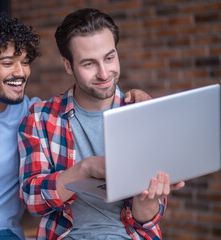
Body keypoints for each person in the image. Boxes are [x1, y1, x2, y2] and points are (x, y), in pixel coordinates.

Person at [0, 11, 153, 240]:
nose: (20, 72)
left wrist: (137, 100)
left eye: (25, 61)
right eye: (8, 63)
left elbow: (89, 99)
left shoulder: (31, 113)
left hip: (7, 235)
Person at [18, 8, 185, 240]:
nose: (104, 73)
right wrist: (85, 169)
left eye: (109, 57)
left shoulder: (142, 112)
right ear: (68, 66)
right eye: (89, 64)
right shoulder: (39, 118)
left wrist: (148, 199)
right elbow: (32, 201)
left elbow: (144, 221)